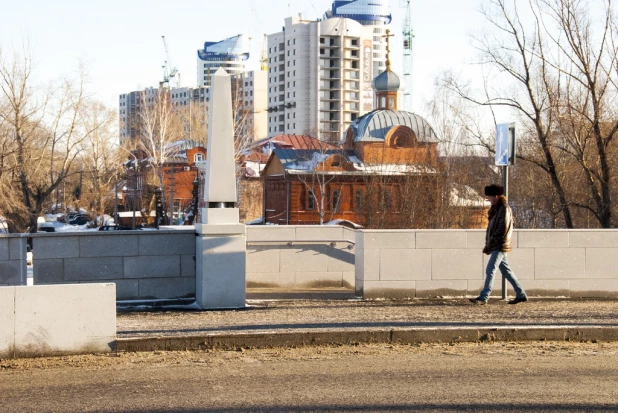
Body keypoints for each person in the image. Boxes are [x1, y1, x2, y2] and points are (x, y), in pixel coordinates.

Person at [469, 184, 528, 305]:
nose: (488, 200)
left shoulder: (503, 209)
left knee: (490, 269)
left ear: (496, 196)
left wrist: (493, 240)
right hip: (498, 243)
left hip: (500, 244)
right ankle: (521, 294)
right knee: (506, 271)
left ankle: (484, 297)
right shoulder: (498, 208)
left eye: (489, 197)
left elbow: (502, 227)